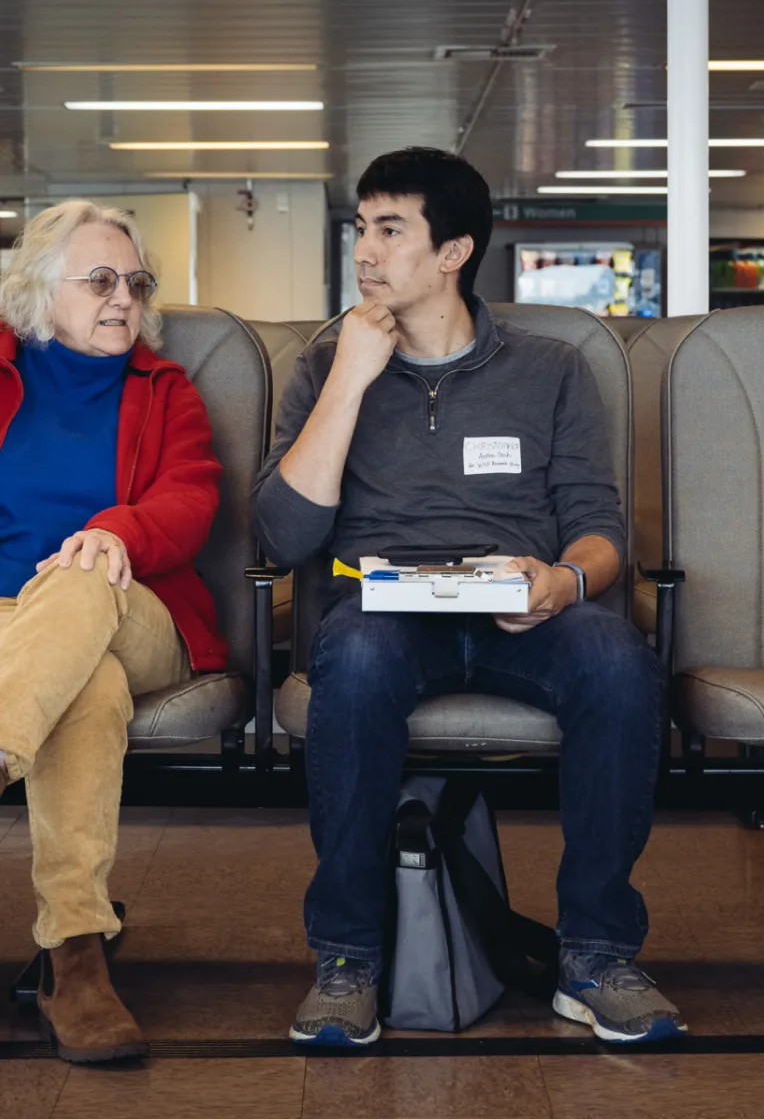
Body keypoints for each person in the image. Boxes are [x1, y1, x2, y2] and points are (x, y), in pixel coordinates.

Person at [252, 146, 685, 1047]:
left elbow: (600, 528)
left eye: (390, 230)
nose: (365, 252)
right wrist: (348, 377)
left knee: (617, 661)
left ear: (452, 252)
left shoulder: (551, 369)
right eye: (360, 229)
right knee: (359, 659)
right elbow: (285, 538)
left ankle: (597, 954)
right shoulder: (324, 369)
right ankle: (348, 958)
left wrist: (565, 581)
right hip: (385, 610)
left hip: (517, 606)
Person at [0, 201, 226, 1063]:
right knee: (83, 688)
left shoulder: (164, 391)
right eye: (99, 280)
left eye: (136, 282)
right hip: (20, 631)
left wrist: (114, 530)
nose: (122, 298)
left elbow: (191, 502)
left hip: (138, 609)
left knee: (82, 572)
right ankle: (76, 954)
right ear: (35, 291)